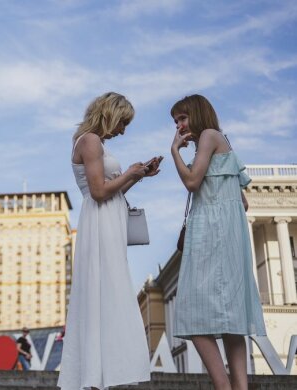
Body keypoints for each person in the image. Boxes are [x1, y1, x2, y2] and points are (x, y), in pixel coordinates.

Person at [58, 92, 159, 390]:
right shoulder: (89, 141)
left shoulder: (93, 142)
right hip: (100, 224)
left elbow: (109, 189)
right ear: (109, 114)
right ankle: (95, 379)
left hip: (107, 225)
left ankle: (102, 376)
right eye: (122, 122)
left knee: (108, 295)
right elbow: (99, 191)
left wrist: (138, 175)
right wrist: (129, 171)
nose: (123, 131)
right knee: (104, 294)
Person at [170, 94, 266, 390]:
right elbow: (243, 200)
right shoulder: (217, 141)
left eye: (182, 118)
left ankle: (223, 387)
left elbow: (191, 182)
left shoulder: (210, 136)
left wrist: (174, 151)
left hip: (211, 232)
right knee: (231, 316)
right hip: (226, 233)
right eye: (175, 122)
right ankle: (238, 386)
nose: (179, 126)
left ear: (197, 114)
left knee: (190, 310)